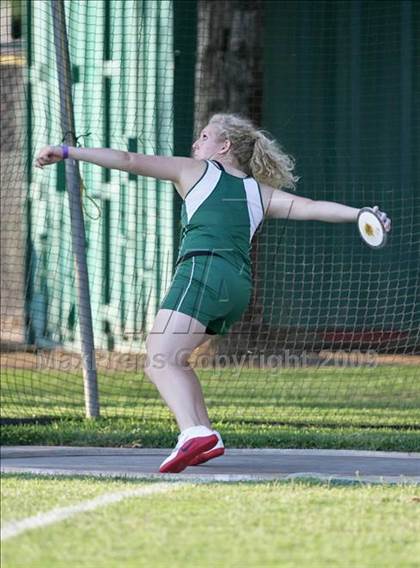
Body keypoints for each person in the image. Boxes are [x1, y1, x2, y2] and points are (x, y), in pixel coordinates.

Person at [35, 113, 391, 473]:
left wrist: (68, 151)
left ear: (224, 146)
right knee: (177, 359)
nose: (196, 143)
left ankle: (192, 432)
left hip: (202, 271)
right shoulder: (259, 191)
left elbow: (128, 160)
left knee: (158, 359)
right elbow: (313, 208)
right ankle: (205, 435)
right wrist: (361, 214)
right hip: (237, 288)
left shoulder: (195, 170)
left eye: (204, 136)